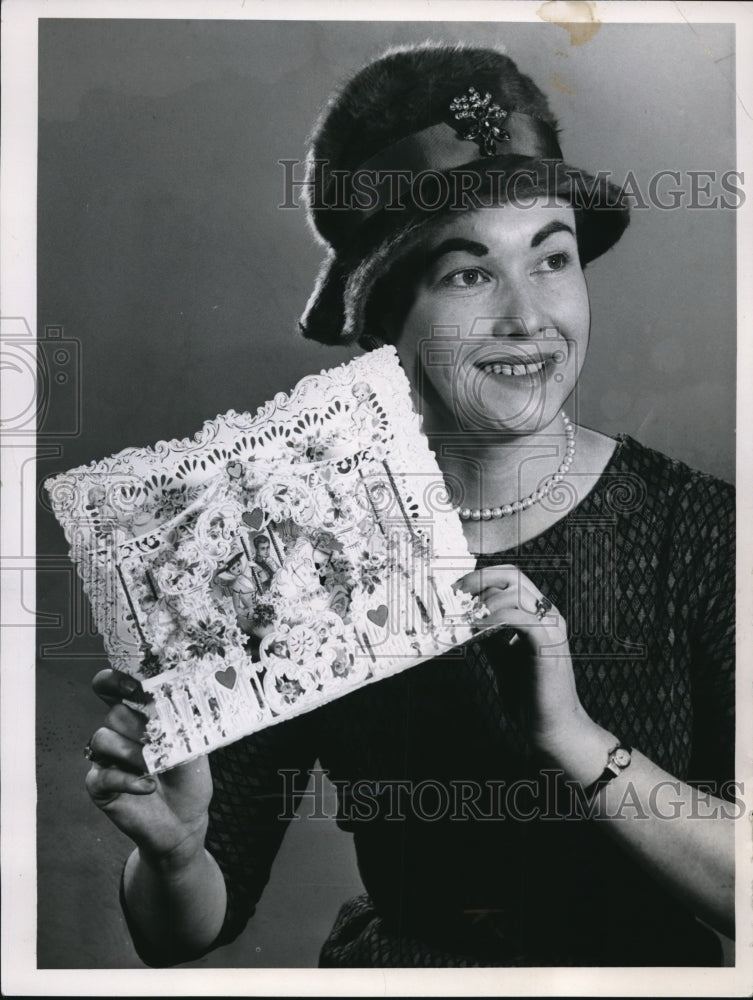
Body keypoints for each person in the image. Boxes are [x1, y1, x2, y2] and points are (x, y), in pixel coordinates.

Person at [84, 43, 735, 967]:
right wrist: (175, 851)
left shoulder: (701, 534)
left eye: (551, 259)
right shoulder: (299, 547)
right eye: (468, 274)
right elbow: (180, 928)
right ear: (384, 315)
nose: (527, 317)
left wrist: (572, 739)